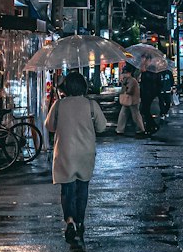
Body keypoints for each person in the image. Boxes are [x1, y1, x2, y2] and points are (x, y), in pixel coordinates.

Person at [44, 70, 107, 242]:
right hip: (85, 151)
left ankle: (69, 221)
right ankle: (80, 221)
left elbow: (49, 126)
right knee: (82, 188)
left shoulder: (59, 105)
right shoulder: (91, 105)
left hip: (65, 151)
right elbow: (102, 127)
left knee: (67, 189)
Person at [115, 65, 145, 136]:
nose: (124, 74)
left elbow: (129, 91)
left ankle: (140, 129)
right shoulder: (128, 80)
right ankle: (120, 129)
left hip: (133, 101)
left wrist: (124, 86)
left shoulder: (132, 80)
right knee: (123, 114)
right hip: (128, 100)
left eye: (125, 73)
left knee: (135, 116)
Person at [139, 66, 161, 135]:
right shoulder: (154, 75)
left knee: (145, 110)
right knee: (145, 110)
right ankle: (150, 127)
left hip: (147, 94)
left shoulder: (147, 75)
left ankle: (153, 125)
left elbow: (145, 84)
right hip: (149, 94)